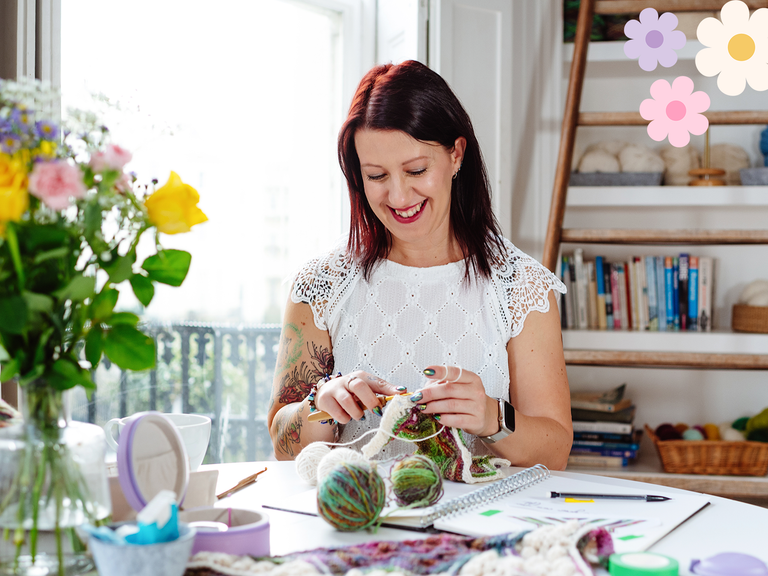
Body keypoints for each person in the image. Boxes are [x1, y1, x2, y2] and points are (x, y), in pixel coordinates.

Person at [267, 60, 572, 469]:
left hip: (483, 510)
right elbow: (281, 443)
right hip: (358, 509)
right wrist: (321, 405)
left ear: (456, 154)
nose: (398, 196)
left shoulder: (521, 286)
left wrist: (492, 417)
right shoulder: (323, 283)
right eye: (376, 176)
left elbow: (555, 450)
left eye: (416, 170)